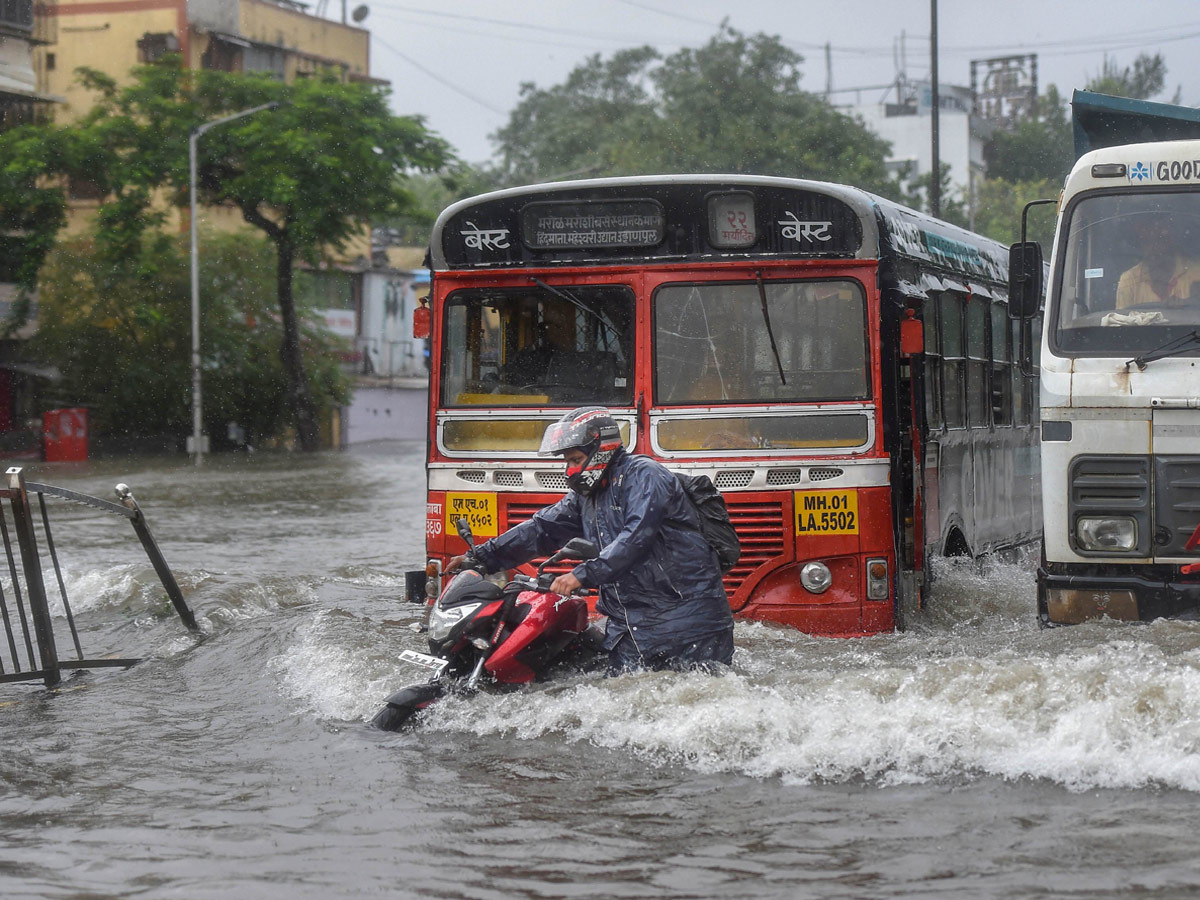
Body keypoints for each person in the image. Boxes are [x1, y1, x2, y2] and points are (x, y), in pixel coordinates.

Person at [446, 406, 735, 674]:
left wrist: (581, 575)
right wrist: (482, 558)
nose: (569, 470)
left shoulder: (644, 475)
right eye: (567, 461)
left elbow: (635, 537)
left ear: (601, 450)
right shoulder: (587, 496)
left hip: (688, 620)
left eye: (576, 460)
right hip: (631, 625)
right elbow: (541, 529)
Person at [1115, 212, 1200, 309]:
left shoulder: (1197, 273)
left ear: (1173, 240)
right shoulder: (1129, 280)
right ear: (1140, 246)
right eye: (1148, 241)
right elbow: (1120, 321)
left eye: (1162, 240)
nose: (1156, 248)